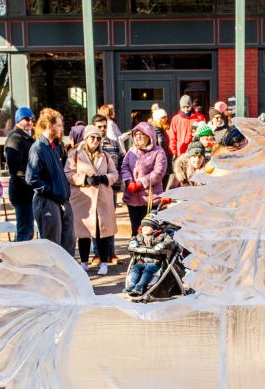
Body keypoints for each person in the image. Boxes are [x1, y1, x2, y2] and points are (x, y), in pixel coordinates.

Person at [66, 126, 119, 275]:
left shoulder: (105, 155)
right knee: (84, 233)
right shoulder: (75, 154)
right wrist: (84, 179)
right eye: (92, 137)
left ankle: (104, 262)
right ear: (86, 138)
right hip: (84, 198)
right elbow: (68, 173)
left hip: (102, 197)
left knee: (102, 232)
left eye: (98, 138)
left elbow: (115, 174)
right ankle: (84, 262)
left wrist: (105, 178)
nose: (95, 141)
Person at [26, 108, 75, 255]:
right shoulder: (38, 148)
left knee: (68, 244)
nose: (61, 129)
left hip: (61, 200)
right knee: (52, 248)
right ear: (49, 126)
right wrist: (52, 192)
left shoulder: (56, 147)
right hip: (47, 202)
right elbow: (32, 178)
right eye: (59, 126)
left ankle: (66, 277)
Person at [121, 121, 168, 237]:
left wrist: (140, 183)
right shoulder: (131, 151)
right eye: (136, 135)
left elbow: (158, 172)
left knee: (150, 231)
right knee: (135, 231)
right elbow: (124, 166)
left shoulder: (158, 152)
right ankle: (135, 254)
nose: (138, 137)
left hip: (151, 199)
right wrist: (128, 181)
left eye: (141, 134)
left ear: (150, 136)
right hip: (133, 199)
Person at [4, 107, 36, 242]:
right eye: (26, 119)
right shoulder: (15, 138)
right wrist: (31, 182)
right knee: (25, 231)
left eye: (32, 119)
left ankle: (22, 260)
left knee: (27, 229)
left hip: (27, 190)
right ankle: (20, 262)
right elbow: (16, 169)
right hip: (22, 191)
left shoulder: (26, 137)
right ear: (18, 120)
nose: (30, 122)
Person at [125, 213, 176, 297]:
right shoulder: (139, 236)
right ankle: (131, 286)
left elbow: (171, 242)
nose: (145, 228)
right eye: (143, 226)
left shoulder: (161, 236)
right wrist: (132, 242)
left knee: (148, 270)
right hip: (141, 260)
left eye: (148, 226)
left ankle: (139, 287)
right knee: (135, 268)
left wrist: (162, 245)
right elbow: (133, 239)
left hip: (155, 262)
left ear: (154, 229)